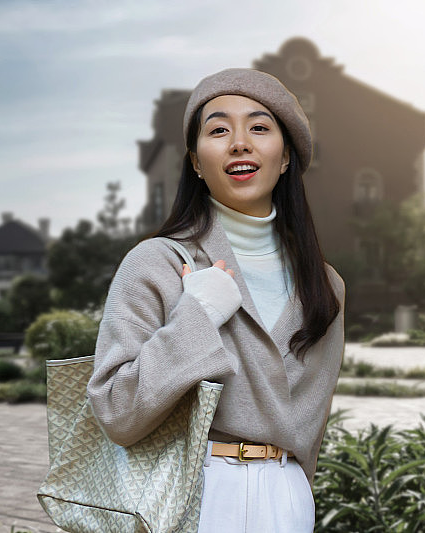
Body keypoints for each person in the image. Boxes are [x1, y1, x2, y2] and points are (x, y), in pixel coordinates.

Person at [87, 68, 345, 532]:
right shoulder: (157, 262)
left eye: (260, 128)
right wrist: (198, 315)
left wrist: (293, 490)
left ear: (285, 157)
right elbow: (116, 411)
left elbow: (314, 421)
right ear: (195, 161)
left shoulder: (325, 286)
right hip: (192, 491)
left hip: (287, 496)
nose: (240, 143)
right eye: (219, 129)